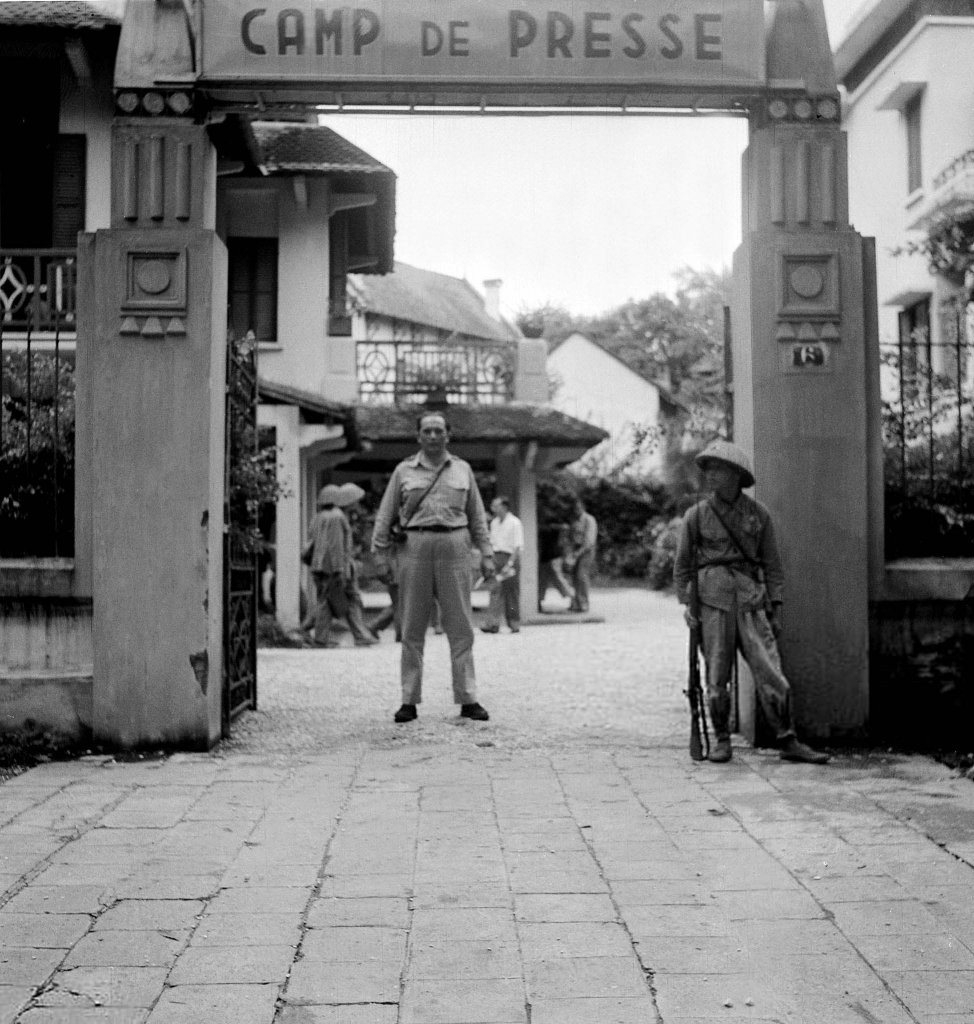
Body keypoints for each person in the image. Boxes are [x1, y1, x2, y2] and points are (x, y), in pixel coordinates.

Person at [672, 439, 829, 765]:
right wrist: (689, 605)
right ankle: (721, 740)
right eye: (709, 470)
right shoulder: (696, 516)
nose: (711, 476)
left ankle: (788, 739)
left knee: (770, 671)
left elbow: (772, 567)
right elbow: (683, 566)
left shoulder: (758, 516)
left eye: (719, 469)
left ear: (735, 475)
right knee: (716, 674)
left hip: (750, 601)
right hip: (712, 601)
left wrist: (777, 607)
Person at [371, 411, 495, 723]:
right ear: (418, 436)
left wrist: (488, 553)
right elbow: (385, 516)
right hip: (415, 545)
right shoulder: (403, 471)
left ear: (447, 435)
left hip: (455, 544)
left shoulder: (463, 470)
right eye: (427, 430)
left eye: (438, 430)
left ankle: (468, 698)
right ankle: (408, 700)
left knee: (461, 626)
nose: (433, 435)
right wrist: (380, 555)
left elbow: (478, 516)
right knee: (412, 625)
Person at [302, 484, 378, 648]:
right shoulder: (337, 517)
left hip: (319, 566)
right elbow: (336, 546)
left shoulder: (318, 517)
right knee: (331, 601)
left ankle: (358, 634)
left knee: (345, 599)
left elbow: (312, 540)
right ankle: (316, 636)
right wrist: (339, 570)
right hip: (334, 568)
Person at [481, 496, 523, 634]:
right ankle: (492, 623)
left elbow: (517, 546)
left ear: (504, 507)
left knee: (511, 592)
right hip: (497, 557)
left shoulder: (515, 522)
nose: (494, 508)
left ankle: (514, 623)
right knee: (495, 590)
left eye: (496, 506)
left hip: (510, 557)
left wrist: (510, 563)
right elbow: (492, 542)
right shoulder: (494, 523)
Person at [565, 499, 598, 613]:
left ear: (583, 508)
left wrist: (578, 553)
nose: (576, 510)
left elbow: (589, 541)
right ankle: (576, 602)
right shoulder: (574, 521)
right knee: (574, 577)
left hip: (586, 551)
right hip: (575, 550)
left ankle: (584, 603)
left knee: (581, 575)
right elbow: (571, 537)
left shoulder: (589, 520)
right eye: (575, 508)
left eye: (578, 508)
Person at [537, 521, 573, 612]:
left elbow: (565, 527)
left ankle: (572, 598)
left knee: (559, 579)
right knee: (542, 581)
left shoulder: (553, 527)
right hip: (544, 557)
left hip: (554, 556)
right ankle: (538, 602)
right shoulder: (541, 529)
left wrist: (552, 526)